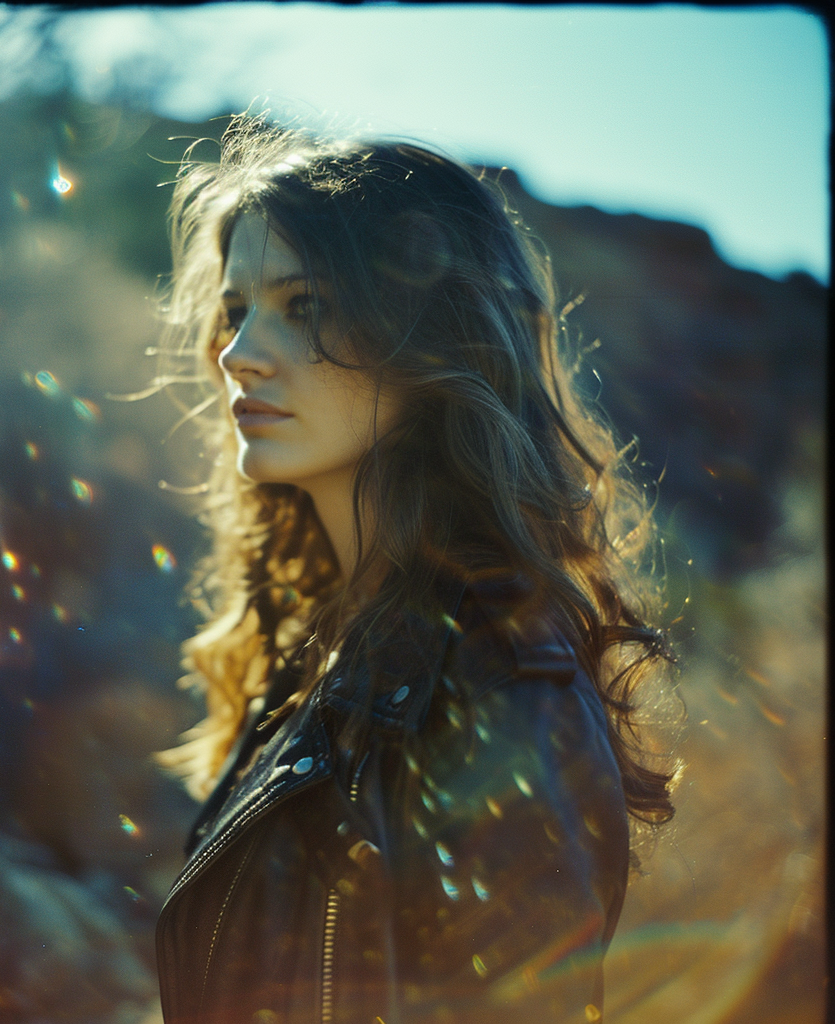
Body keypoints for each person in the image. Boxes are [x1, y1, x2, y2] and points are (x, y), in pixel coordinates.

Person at [152, 112, 677, 1024]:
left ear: (435, 338)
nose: (238, 354)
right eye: (237, 312)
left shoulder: (500, 684)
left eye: (305, 304)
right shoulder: (323, 638)